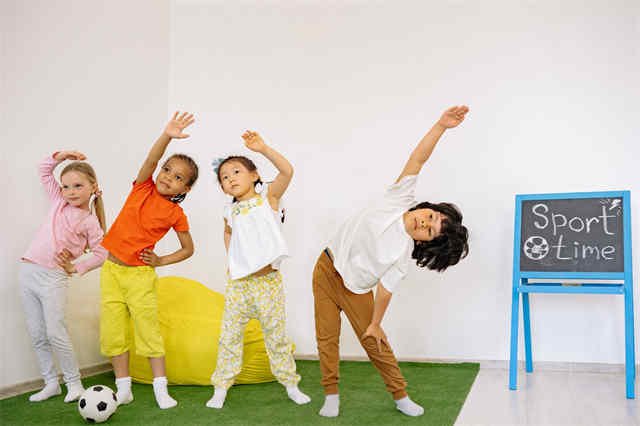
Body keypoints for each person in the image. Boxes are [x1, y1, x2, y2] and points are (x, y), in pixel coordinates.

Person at [312, 105, 470, 417]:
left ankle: (400, 396)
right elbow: (418, 159)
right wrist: (441, 126)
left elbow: (385, 292)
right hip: (326, 268)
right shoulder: (399, 199)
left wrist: (375, 324)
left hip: (356, 289)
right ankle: (331, 395)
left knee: (375, 342)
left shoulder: (401, 255)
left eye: (429, 231)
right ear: (426, 208)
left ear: (424, 243)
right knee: (326, 337)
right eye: (430, 217)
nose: (423, 223)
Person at [99, 112, 198, 409]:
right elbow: (151, 160)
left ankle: (160, 389)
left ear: (185, 189)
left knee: (148, 331)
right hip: (110, 271)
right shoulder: (143, 186)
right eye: (167, 170)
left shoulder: (176, 214)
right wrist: (167, 135)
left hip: (139, 277)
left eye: (178, 177)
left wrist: (160, 260)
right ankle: (124, 388)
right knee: (113, 332)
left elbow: (188, 249)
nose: (168, 177)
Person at [207, 131, 310, 408]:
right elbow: (228, 232)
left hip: (268, 283)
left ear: (254, 175)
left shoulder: (268, 199)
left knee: (276, 337)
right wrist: (232, 260)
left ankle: (290, 384)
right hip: (239, 285)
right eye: (224, 177)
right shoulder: (229, 211)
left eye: (236, 172)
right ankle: (221, 386)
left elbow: (287, 172)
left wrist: (263, 148)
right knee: (229, 337)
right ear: (223, 188)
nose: (230, 179)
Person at [20, 150, 107, 403]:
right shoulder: (59, 202)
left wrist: (75, 268)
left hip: (52, 277)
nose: (70, 192)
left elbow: (103, 253)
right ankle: (51, 383)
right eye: (66, 186)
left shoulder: (90, 221)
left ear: (93, 187)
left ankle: (73, 383)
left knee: (55, 332)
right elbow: (44, 170)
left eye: (78, 186)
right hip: (28, 271)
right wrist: (62, 155)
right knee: (37, 334)